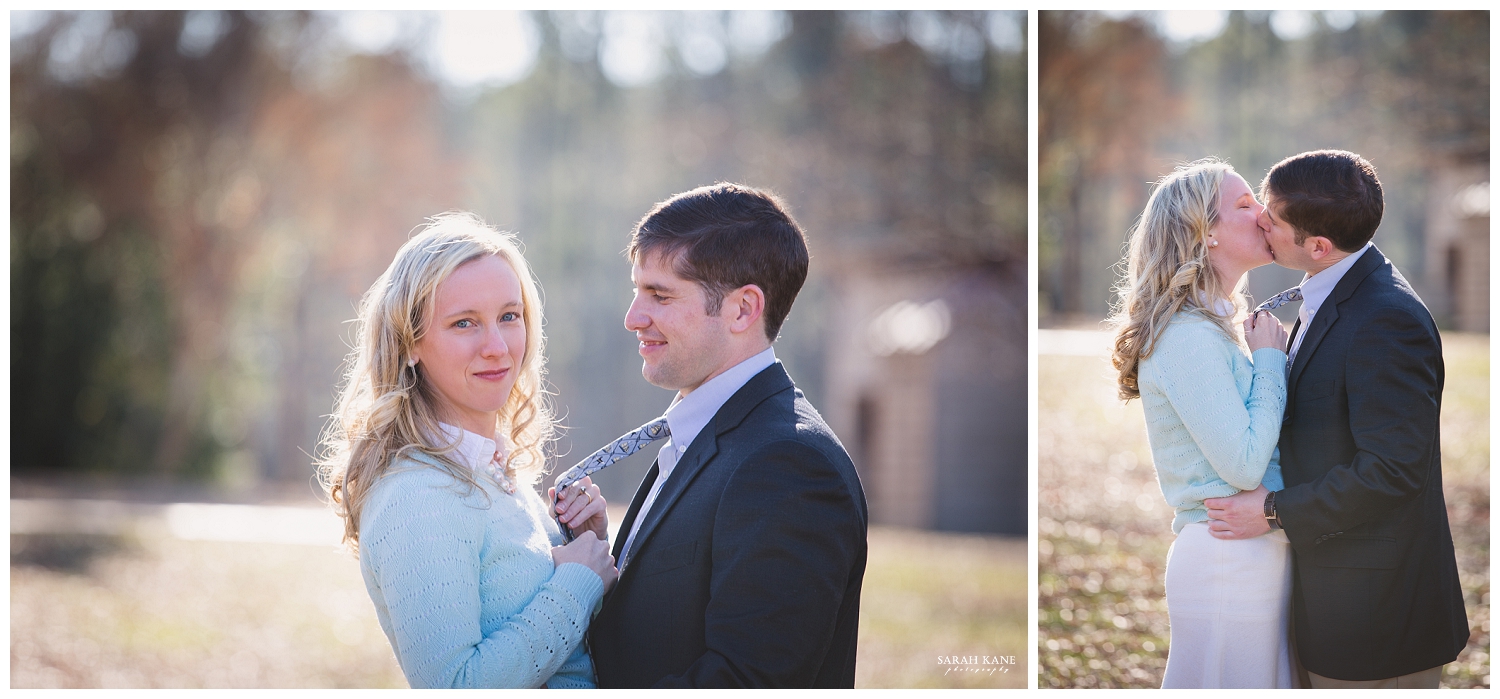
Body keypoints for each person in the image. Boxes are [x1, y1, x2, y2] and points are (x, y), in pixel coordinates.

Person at [584, 183, 869, 687]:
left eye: (660, 294)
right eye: (637, 291)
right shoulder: (707, 434)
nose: (633, 318)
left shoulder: (789, 465)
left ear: (742, 309)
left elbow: (746, 682)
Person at [1202, 150, 1468, 689]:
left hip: (1377, 617)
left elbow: (1393, 470)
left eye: (1272, 218)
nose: (1259, 220)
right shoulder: (1331, 289)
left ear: (1318, 246)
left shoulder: (1387, 319)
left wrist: (1273, 510)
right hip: (1332, 599)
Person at [318, 212, 617, 688]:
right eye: (464, 323)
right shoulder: (416, 494)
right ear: (410, 343)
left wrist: (582, 545)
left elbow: (561, 649)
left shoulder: (492, 472)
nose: (497, 346)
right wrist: (576, 584)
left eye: (508, 316)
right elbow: (455, 686)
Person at [1109, 158, 1294, 688]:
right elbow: (1242, 463)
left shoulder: (1215, 328)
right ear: (1203, 232)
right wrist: (1270, 362)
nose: (1263, 213)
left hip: (1252, 553)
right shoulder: (1188, 337)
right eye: (1243, 205)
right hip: (1225, 562)